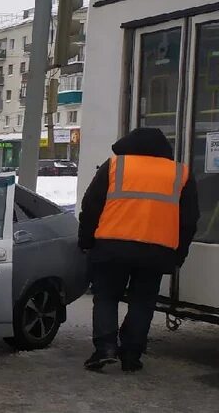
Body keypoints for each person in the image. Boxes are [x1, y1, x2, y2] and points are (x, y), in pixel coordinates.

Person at [78, 126, 199, 373]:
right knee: (143, 301)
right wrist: (179, 254)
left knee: (106, 297)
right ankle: (132, 354)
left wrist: (86, 240)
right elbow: (189, 220)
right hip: (157, 250)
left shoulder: (114, 166)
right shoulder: (179, 173)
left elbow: (91, 206)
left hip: (112, 246)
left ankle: (105, 348)